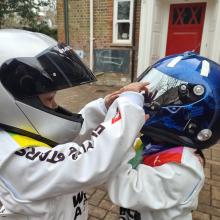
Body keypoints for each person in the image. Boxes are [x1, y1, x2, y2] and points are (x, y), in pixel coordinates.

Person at [0, 29, 148, 220]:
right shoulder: (12, 159)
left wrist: (103, 107)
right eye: (49, 98)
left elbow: (66, 136)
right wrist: (129, 108)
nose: (54, 105)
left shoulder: (21, 129)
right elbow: (86, 161)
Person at [107, 52, 220, 220]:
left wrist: (118, 126)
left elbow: (124, 188)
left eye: (166, 98)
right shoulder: (152, 142)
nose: (150, 101)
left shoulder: (184, 170)